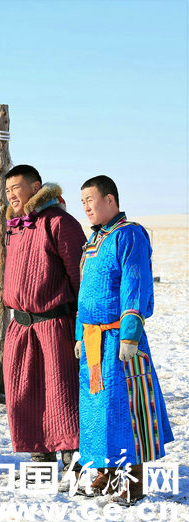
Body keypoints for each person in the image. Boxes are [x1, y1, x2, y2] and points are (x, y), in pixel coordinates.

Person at [74, 175, 173, 505]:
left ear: (110, 200)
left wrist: (130, 334)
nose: (86, 206)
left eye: (90, 199)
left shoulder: (129, 234)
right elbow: (85, 295)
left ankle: (132, 482)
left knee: (125, 411)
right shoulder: (94, 241)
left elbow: (135, 283)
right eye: (82, 201)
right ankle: (106, 472)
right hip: (93, 341)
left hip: (119, 340)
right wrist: (80, 334)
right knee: (97, 412)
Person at [2, 164, 85, 479]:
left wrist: (81, 326)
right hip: (21, 326)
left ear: (35, 187)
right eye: (7, 190)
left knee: (61, 393)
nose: (11, 195)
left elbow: (80, 278)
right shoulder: (17, 226)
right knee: (25, 394)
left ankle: (73, 459)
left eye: (17, 188)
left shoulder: (60, 223)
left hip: (55, 323)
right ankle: (41, 457)